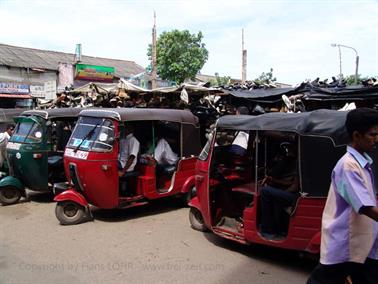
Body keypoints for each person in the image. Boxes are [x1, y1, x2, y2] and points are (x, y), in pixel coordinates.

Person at [307, 108, 378, 284]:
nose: (377, 139)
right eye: (373, 134)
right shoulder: (348, 166)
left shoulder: (363, 164)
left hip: (363, 244)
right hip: (346, 246)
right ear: (356, 135)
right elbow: (366, 207)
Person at [259, 141, 299, 240]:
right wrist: (274, 181)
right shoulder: (293, 161)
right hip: (295, 194)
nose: (288, 150)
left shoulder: (299, 162)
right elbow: (290, 182)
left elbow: (294, 187)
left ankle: (268, 231)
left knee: (265, 191)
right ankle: (280, 229)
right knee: (274, 193)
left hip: (296, 197)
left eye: (290, 148)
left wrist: (282, 193)